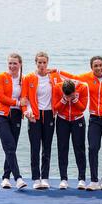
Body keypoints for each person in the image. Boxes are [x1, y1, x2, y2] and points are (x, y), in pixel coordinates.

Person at [57, 57, 102, 191]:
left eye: (100, 65)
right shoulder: (87, 78)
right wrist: (56, 71)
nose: (98, 68)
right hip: (94, 118)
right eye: (95, 66)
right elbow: (72, 77)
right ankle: (94, 180)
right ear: (91, 67)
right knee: (93, 148)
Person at [22, 52, 62, 189]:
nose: (42, 65)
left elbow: (65, 86)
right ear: (36, 63)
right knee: (35, 148)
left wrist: (57, 70)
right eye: (39, 62)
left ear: (48, 63)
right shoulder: (29, 78)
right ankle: (36, 178)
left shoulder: (54, 76)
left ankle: (45, 177)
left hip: (50, 114)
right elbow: (24, 98)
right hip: (34, 116)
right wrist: (26, 112)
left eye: (44, 62)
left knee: (47, 147)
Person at [0, 53, 27, 190]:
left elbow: (24, 99)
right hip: (1, 114)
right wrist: (17, 102)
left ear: (20, 65)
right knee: (10, 145)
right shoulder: (1, 77)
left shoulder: (23, 80)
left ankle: (6, 178)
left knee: (11, 147)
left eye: (15, 63)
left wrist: (25, 110)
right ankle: (18, 178)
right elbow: (0, 97)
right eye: (10, 63)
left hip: (16, 115)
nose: (12, 66)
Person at [53, 79, 88, 190]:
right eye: (66, 95)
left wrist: (74, 100)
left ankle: (81, 179)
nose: (68, 97)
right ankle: (63, 179)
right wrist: (64, 100)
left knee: (80, 149)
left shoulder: (82, 87)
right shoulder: (57, 87)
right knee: (62, 149)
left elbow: (83, 107)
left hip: (78, 120)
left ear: (74, 91)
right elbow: (56, 108)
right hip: (62, 120)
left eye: (70, 94)